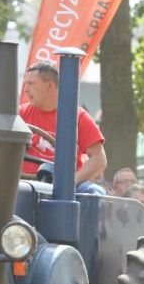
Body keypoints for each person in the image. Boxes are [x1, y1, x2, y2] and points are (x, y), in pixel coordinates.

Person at [19, 60, 107, 193]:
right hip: (24, 185)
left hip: (63, 190)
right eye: (25, 83)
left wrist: (70, 182)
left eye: (31, 83)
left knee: (95, 192)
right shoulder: (20, 114)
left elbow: (99, 160)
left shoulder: (77, 116)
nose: (25, 89)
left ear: (49, 86)